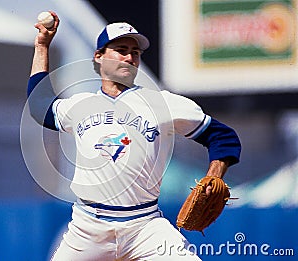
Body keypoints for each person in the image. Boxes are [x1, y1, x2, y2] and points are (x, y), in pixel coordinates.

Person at [27, 11, 241, 260]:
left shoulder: (163, 103)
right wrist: (42, 45)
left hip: (145, 226)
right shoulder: (80, 105)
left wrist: (214, 176)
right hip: (88, 228)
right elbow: (39, 105)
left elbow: (223, 136)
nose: (129, 57)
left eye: (135, 52)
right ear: (98, 57)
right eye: (121, 49)